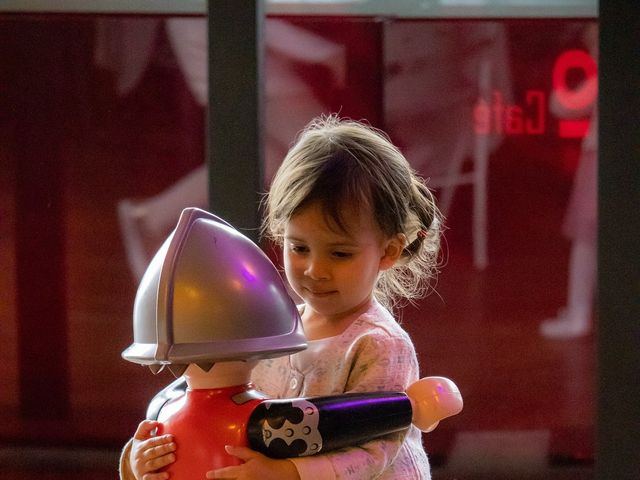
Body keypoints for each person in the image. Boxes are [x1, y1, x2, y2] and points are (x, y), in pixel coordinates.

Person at [120, 114, 443, 480]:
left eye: (340, 254)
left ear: (388, 251)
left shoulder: (380, 345)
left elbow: (376, 449)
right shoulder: (267, 327)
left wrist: (290, 472)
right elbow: (206, 395)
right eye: (299, 247)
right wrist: (144, 454)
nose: (315, 270)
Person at [540, 23, 598, 338]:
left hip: (598, 159)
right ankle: (581, 310)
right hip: (600, 159)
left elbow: (562, 105)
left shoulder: (604, 78)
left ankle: (579, 314)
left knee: (585, 241)